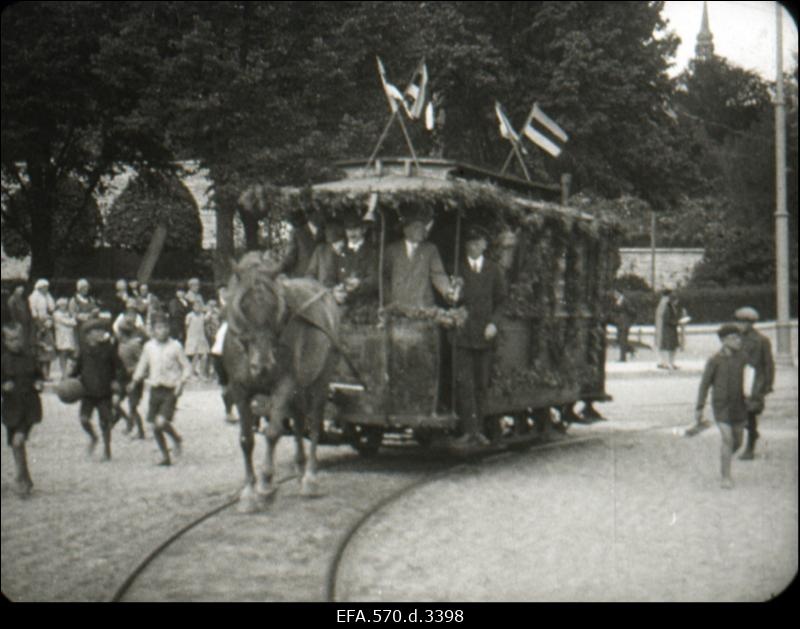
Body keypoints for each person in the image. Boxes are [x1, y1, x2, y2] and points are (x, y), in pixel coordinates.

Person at [451, 225, 505, 447]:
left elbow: (501, 301)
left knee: (481, 383)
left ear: (484, 245)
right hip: (463, 335)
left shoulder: (494, 270)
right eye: (470, 243)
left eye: (478, 242)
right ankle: (469, 430)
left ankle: (480, 429)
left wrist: (494, 323)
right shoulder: (457, 268)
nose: (474, 246)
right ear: (465, 246)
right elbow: (451, 299)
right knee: (465, 383)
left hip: (485, 335)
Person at [691, 323, 748, 489]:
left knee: (737, 441)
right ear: (723, 341)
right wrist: (699, 407)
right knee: (727, 439)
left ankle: (725, 458)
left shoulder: (743, 357)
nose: (738, 341)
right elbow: (704, 384)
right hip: (721, 406)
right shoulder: (715, 360)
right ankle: (726, 476)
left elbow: (752, 374)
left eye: (739, 337)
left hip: (739, 405)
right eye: (733, 338)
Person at [130, 314, 191, 466]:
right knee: (154, 426)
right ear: (153, 330)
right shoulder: (148, 347)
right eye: (158, 328)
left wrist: (181, 383)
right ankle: (165, 456)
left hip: (170, 389)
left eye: (165, 327)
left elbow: (187, 367)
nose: (162, 331)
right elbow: (142, 365)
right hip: (155, 389)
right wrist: (135, 381)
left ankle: (176, 439)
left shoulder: (176, 346)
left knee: (160, 422)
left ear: (169, 329)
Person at [1, 322, 44, 497]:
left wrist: (39, 383)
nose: (15, 342)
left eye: (17, 338)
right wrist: (3, 386)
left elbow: (39, 376)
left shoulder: (30, 357)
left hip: (29, 407)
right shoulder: (3, 360)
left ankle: (20, 479)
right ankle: (26, 478)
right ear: (4, 341)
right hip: (11, 408)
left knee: (18, 442)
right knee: (15, 445)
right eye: (11, 339)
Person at [71, 318, 123, 461]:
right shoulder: (83, 350)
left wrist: (116, 382)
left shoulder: (109, 349)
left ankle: (107, 450)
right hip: (87, 392)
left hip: (104, 392)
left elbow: (119, 368)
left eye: (102, 330)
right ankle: (93, 437)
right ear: (88, 335)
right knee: (84, 419)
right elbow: (77, 370)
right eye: (97, 331)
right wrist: (69, 380)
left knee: (104, 422)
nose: (101, 333)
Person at [384, 208, 456, 307]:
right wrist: (389, 300)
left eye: (423, 226)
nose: (422, 230)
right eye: (416, 227)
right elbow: (384, 277)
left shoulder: (430, 249)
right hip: (398, 306)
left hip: (423, 305)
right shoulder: (392, 250)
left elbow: (438, 274)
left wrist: (448, 291)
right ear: (406, 230)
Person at [734, 306, 775, 460]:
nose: (740, 325)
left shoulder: (762, 340)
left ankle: (750, 448)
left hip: (754, 380)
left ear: (752, 324)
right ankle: (753, 433)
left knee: (751, 413)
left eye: (744, 323)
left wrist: (768, 384)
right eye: (739, 322)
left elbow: (768, 364)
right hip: (739, 378)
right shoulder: (736, 339)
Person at [114, 301, 148, 438]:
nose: (131, 316)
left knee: (133, 404)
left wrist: (138, 370)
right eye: (128, 313)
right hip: (121, 375)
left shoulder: (140, 335)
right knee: (115, 402)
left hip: (135, 375)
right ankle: (128, 421)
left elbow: (146, 355)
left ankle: (140, 431)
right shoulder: (119, 336)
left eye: (133, 314)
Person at [339, 212, 379, 309]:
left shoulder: (371, 251)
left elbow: (374, 279)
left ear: (363, 230)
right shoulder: (341, 250)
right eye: (348, 229)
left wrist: (359, 284)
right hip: (342, 303)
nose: (352, 233)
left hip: (365, 305)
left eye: (355, 229)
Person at [209, 288, 236, 423]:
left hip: (219, 354)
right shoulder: (226, 328)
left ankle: (229, 411)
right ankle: (229, 411)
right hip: (221, 354)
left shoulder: (224, 327)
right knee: (228, 385)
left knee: (227, 385)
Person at [305, 219, 348, 296]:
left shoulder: (349, 251)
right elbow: (310, 274)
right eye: (334, 243)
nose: (339, 245)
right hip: (323, 295)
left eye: (341, 241)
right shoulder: (320, 251)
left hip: (344, 295)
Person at [281, 209, 324, 277]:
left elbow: (290, 257)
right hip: (305, 277)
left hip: (314, 277)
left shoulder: (326, 232)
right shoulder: (297, 233)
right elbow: (290, 257)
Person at [28, 279, 56, 380]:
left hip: (47, 324)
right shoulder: (33, 297)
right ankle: (41, 374)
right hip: (38, 326)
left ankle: (47, 374)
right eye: (44, 287)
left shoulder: (47, 296)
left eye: (47, 287)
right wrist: (40, 326)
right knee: (41, 351)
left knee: (49, 350)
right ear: (39, 287)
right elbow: (33, 313)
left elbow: (52, 308)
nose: (46, 289)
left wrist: (49, 320)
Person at [53, 297, 78, 380]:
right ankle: (64, 373)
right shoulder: (57, 314)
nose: (64, 306)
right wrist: (73, 318)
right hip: (61, 337)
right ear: (59, 306)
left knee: (71, 354)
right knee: (63, 354)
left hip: (69, 336)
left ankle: (69, 372)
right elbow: (70, 322)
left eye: (65, 305)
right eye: (62, 305)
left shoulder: (68, 314)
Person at [184, 300, 210, 380]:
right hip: (192, 338)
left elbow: (206, 322)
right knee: (195, 357)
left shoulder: (202, 316)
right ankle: (192, 374)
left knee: (204, 356)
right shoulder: (189, 316)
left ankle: (202, 374)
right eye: (196, 306)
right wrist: (188, 338)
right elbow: (186, 327)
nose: (197, 308)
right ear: (193, 307)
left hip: (201, 338)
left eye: (199, 306)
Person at [611, 289, 636, 362]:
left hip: (625, 323)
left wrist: (629, 320)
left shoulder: (625, 301)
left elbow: (632, 311)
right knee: (619, 339)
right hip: (619, 323)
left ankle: (622, 358)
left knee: (623, 340)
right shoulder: (618, 301)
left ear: (619, 293)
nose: (614, 295)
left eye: (616, 293)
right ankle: (631, 349)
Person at [658, 291, 681, 370]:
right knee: (670, 348)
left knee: (673, 348)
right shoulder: (668, 308)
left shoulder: (672, 307)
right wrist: (677, 322)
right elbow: (667, 320)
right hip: (669, 330)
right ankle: (669, 363)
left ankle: (671, 363)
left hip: (672, 330)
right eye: (676, 300)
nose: (677, 302)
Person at [654, 289, 671, 368]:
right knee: (662, 345)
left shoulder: (661, 303)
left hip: (659, 326)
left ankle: (661, 362)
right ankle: (662, 362)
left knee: (659, 345)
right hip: (662, 327)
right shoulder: (665, 303)